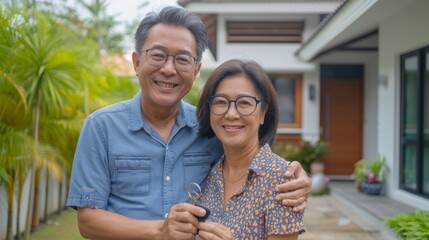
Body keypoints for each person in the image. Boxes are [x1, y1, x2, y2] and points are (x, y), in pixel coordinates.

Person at [66, 6, 310, 240]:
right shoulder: (101, 127)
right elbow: (88, 221)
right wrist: (160, 230)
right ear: (137, 62)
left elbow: (248, 156)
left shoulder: (210, 127)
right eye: (158, 55)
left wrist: (291, 175)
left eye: (182, 59)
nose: (169, 69)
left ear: (196, 71)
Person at [194, 59, 305, 239]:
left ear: (263, 113)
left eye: (244, 103)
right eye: (221, 102)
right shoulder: (210, 173)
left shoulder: (281, 179)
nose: (231, 113)